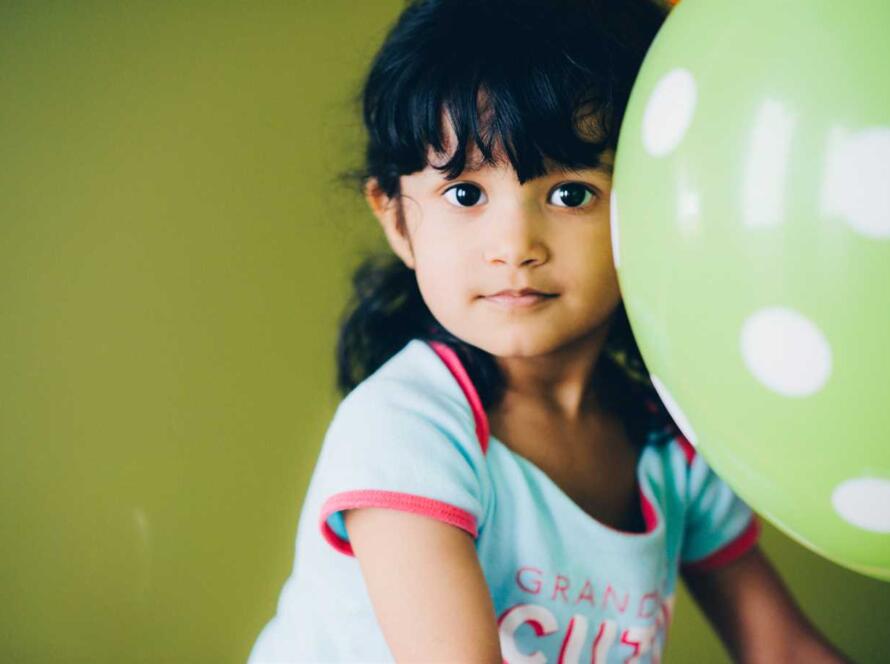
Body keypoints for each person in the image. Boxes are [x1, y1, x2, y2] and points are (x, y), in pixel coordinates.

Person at [249, 0, 851, 661]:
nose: (515, 245)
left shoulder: (665, 443)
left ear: (651, 204)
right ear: (396, 218)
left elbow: (784, 649)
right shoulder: (408, 429)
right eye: (466, 194)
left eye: (569, 193)